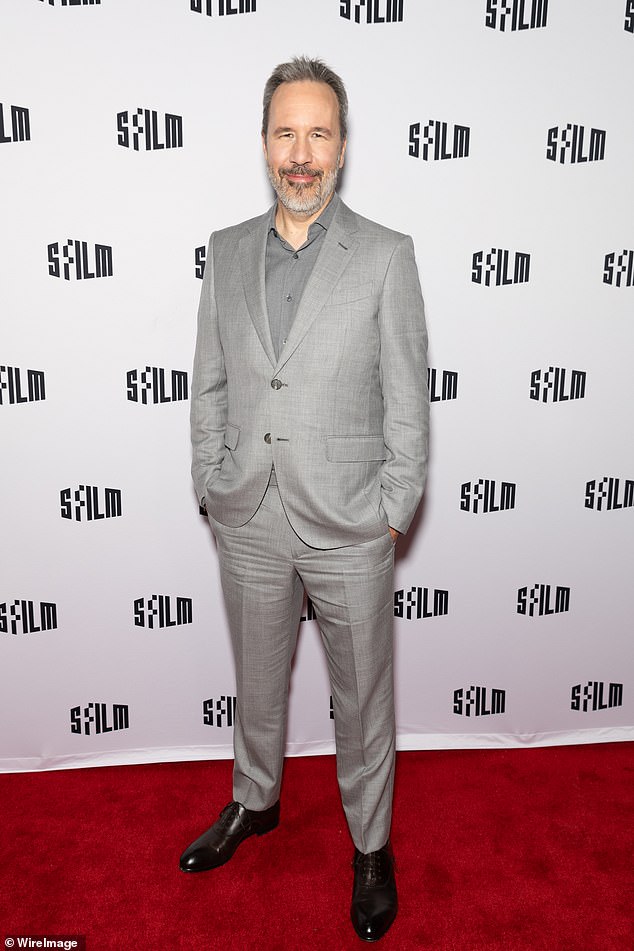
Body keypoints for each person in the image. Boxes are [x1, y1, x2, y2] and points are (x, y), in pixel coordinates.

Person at [182, 55, 429, 942]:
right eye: (286, 131)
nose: (301, 151)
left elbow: (409, 397)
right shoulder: (225, 249)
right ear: (263, 142)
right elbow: (209, 383)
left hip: (350, 524)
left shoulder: (387, 256)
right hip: (246, 512)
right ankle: (256, 801)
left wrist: (392, 508)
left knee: (362, 699)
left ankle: (371, 846)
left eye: (318, 133)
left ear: (343, 147)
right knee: (256, 683)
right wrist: (212, 481)